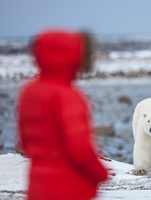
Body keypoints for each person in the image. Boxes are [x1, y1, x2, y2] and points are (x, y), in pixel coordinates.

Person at [17, 29, 108, 200]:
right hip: (70, 189)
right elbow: (79, 148)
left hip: (38, 187)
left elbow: (25, 143)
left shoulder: (28, 91)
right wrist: (101, 173)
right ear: (72, 55)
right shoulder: (68, 96)